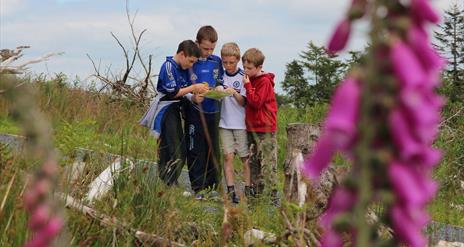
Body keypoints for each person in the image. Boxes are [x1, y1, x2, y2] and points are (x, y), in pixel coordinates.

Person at [139, 40, 208, 186]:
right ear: (182, 54)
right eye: (190, 61)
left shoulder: (183, 69)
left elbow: (184, 92)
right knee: (177, 149)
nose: (191, 65)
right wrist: (193, 87)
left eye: (194, 63)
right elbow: (174, 92)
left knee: (169, 148)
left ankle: (168, 181)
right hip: (165, 109)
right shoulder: (169, 66)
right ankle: (170, 182)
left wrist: (194, 97)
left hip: (176, 108)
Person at [184, 26, 224, 198]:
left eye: (212, 49)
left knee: (213, 150)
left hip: (213, 111)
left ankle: (213, 187)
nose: (208, 52)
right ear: (197, 43)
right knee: (196, 150)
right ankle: (198, 188)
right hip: (194, 111)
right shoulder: (189, 61)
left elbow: (220, 81)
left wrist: (221, 91)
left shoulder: (216, 61)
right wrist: (192, 98)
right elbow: (181, 88)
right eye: (205, 48)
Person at [242, 48, 278, 204]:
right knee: (254, 162)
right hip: (252, 128)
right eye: (244, 67)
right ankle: (257, 194)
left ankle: (272, 195)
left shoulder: (263, 82)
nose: (246, 70)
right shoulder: (250, 80)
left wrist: (248, 87)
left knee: (267, 163)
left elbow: (256, 103)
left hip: (265, 128)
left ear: (259, 67)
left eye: (249, 68)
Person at [218, 42, 250, 204]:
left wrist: (233, 93)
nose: (228, 65)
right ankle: (231, 190)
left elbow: (244, 102)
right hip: (224, 123)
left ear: (238, 60)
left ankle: (247, 190)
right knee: (227, 157)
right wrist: (217, 92)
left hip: (241, 125)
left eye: (231, 62)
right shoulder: (220, 76)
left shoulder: (243, 76)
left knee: (245, 158)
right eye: (225, 62)